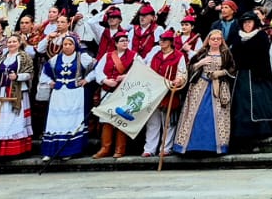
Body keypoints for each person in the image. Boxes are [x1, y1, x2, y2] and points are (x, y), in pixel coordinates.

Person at [230, 13, 272, 144]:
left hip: (258, 73)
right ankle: (242, 131)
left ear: (255, 23)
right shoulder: (237, 37)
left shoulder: (261, 36)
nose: (247, 25)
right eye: (245, 23)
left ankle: (259, 129)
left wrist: (262, 73)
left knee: (260, 103)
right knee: (241, 103)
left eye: (250, 22)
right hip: (240, 74)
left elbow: (263, 57)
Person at [173, 28, 234, 155]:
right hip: (199, 86)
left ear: (222, 40)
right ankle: (192, 146)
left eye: (218, 39)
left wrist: (221, 72)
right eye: (213, 39)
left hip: (218, 87)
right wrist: (200, 63)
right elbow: (190, 67)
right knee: (196, 115)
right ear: (209, 40)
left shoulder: (226, 53)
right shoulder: (202, 53)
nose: (216, 41)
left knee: (216, 115)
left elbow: (232, 69)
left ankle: (215, 146)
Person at [38, 33, 93, 161]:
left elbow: (96, 68)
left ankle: (69, 151)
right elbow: (44, 73)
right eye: (65, 44)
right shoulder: (56, 58)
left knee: (71, 122)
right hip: (58, 95)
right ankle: (50, 151)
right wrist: (49, 82)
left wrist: (87, 79)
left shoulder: (82, 57)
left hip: (75, 94)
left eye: (70, 44)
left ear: (75, 45)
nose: (67, 47)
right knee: (55, 122)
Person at [90, 29, 136, 158]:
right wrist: (105, 80)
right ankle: (105, 148)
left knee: (121, 118)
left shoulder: (134, 55)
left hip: (124, 91)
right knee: (106, 118)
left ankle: (120, 149)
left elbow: (140, 71)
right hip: (108, 89)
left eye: (126, 40)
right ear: (115, 43)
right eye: (122, 41)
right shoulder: (107, 55)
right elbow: (98, 71)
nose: (125, 43)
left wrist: (126, 76)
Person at [145, 31, 188, 157]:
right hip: (154, 91)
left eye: (165, 40)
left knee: (168, 122)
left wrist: (179, 79)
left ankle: (166, 148)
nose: (162, 42)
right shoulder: (155, 55)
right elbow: (147, 69)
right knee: (153, 122)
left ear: (170, 42)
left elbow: (182, 72)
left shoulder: (178, 56)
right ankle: (149, 149)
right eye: (161, 40)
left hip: (169, 91)